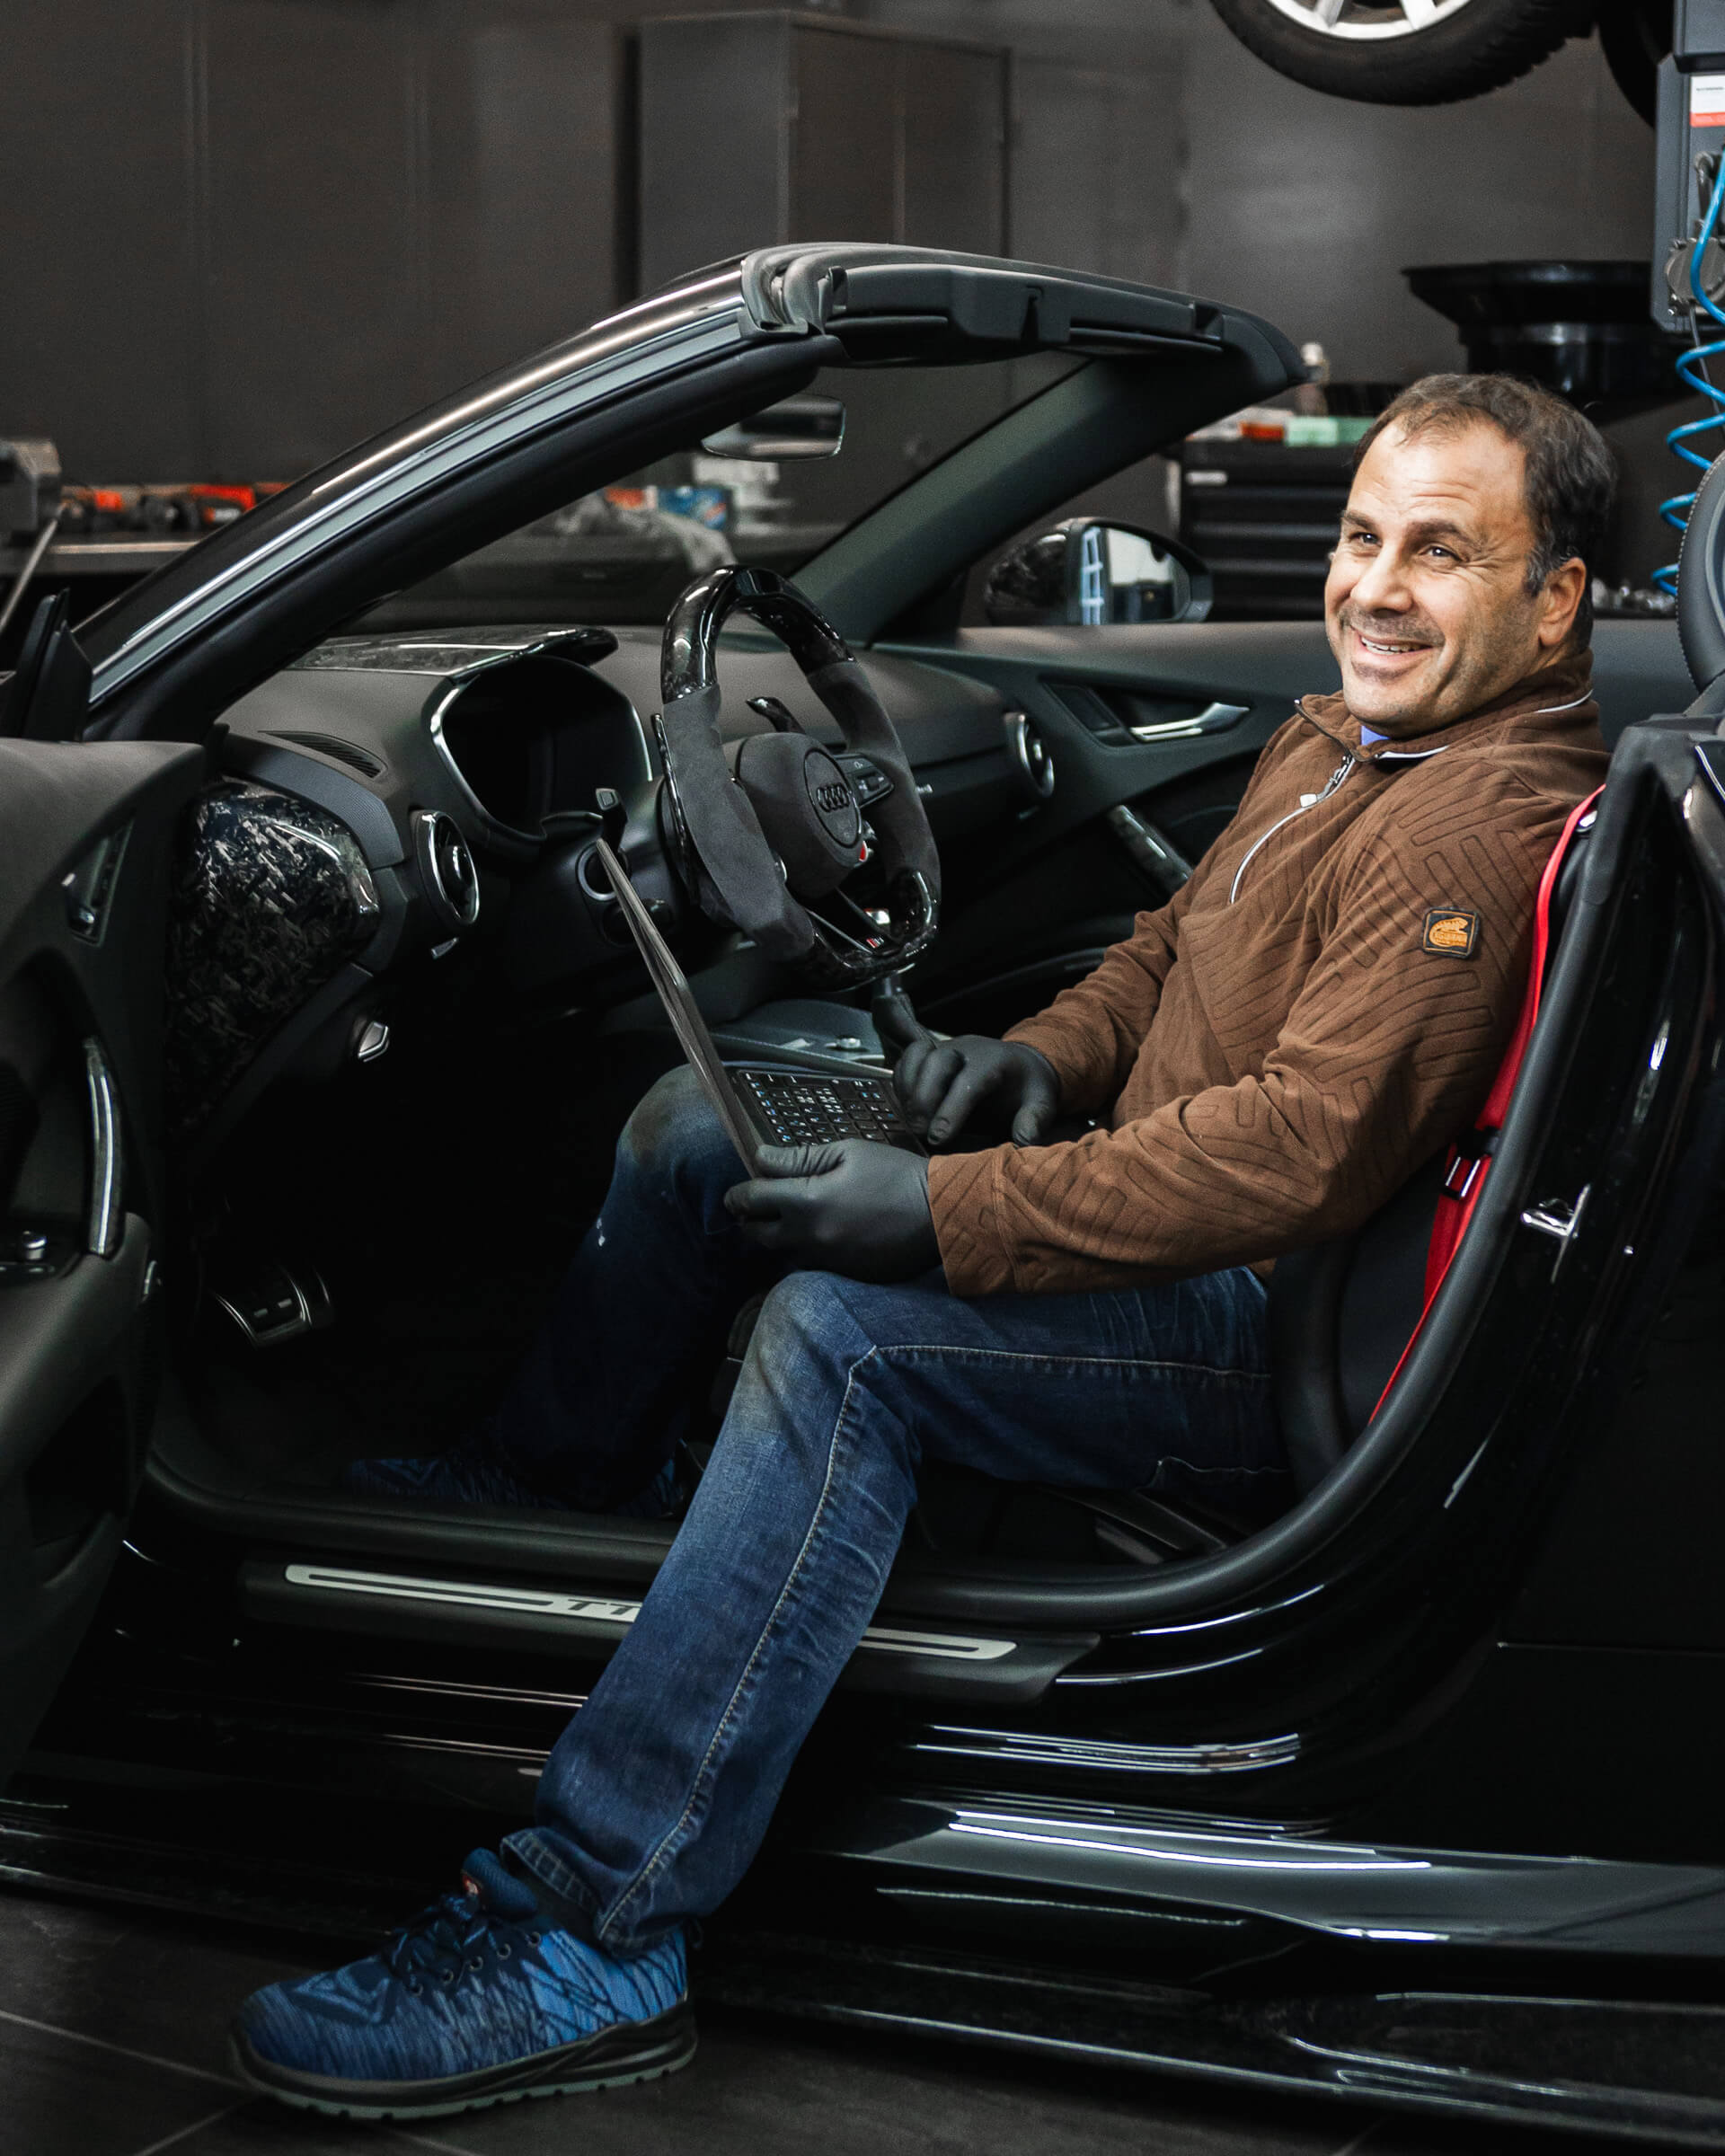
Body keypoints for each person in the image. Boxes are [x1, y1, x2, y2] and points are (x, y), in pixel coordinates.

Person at [233, 374, 1614, 2117]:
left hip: (1256, 1324)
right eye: (1361, 539)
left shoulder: (1472, 823)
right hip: (1146, 1193)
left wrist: (946, 1211)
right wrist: (1038, 1062)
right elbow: (1167, 949)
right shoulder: (1347, 738)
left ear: (1555, 600)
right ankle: (548, 1484)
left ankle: (593, 1924)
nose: (1375, 587)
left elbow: (1296, 1157)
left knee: (839, 1336)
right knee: (693, 1126)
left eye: (1440, 552)